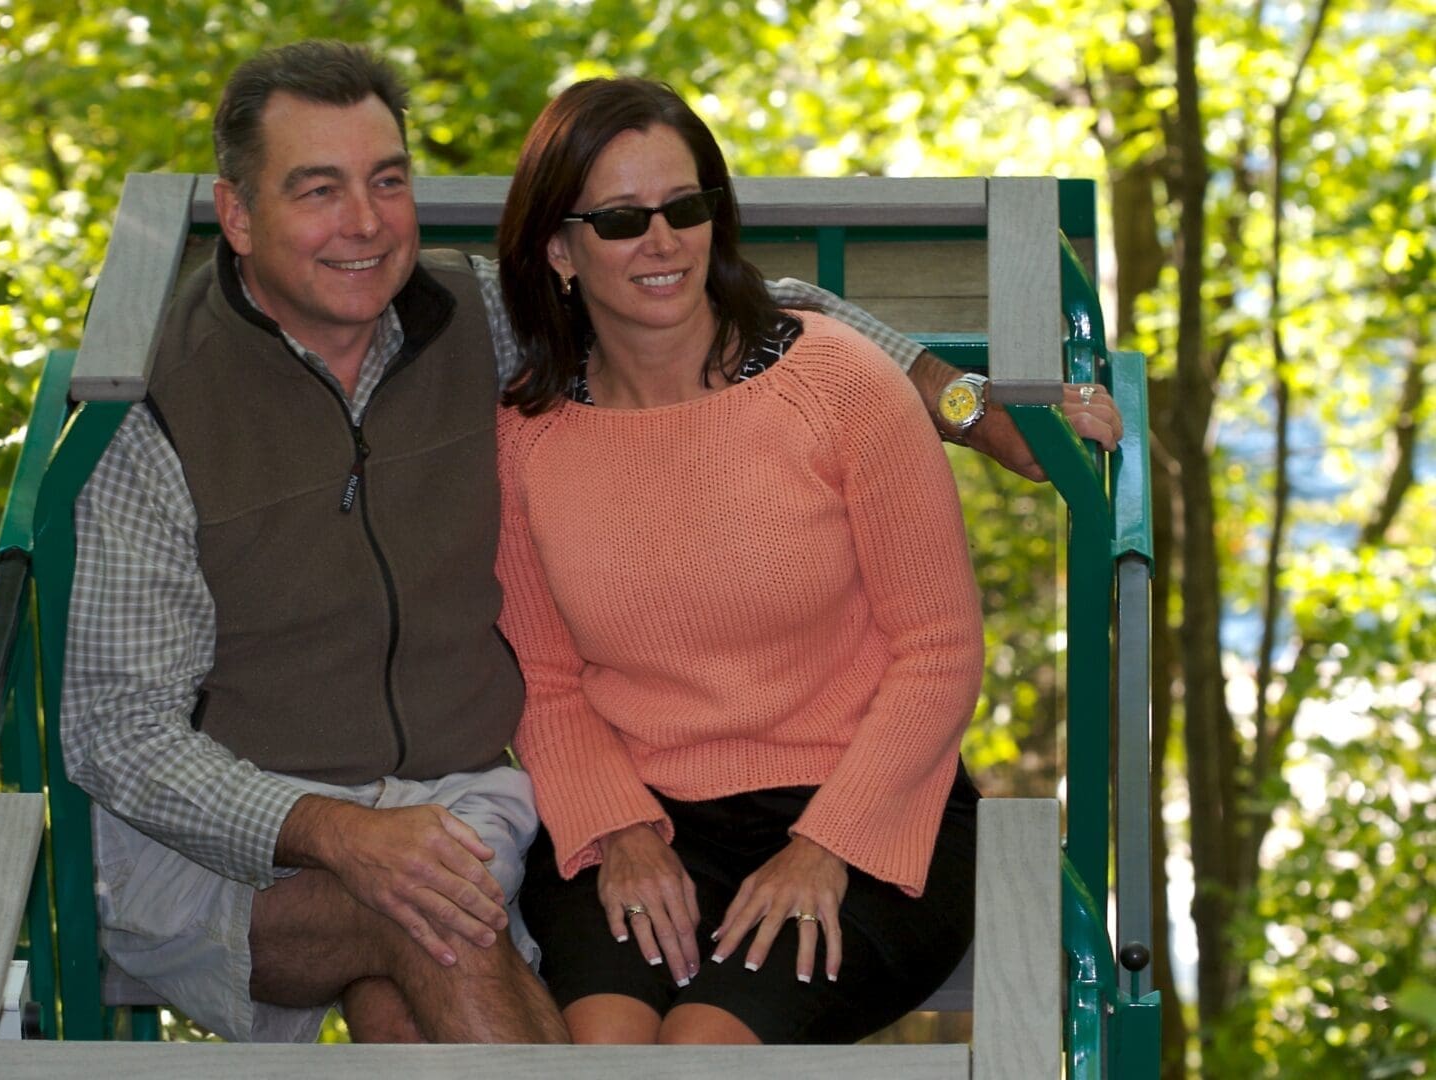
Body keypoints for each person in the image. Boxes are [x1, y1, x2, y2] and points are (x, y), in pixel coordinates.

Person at [61, 41, 1118, 1045]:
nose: (365, 225)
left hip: (456, 808)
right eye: (317, 188)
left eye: (387, 182)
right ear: (236, 216)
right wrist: (348, 832)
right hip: (232, 844)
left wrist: (968, 402)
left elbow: (755, 313)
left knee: (408, 995)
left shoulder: (461, 321)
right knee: (446, 925)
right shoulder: (152, 416)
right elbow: (115, 734)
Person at [493, 76, 989, 1045]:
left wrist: (824, 846)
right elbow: (542, 681)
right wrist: (623, 832)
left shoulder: (839, 381)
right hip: (637, 816)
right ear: (558, 248)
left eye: (686, 208)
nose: (662, 240)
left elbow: (937, 649)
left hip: (870, 806)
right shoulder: (524, 434)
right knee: (600, 1048)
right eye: (623, 218)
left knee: (702, 1052)